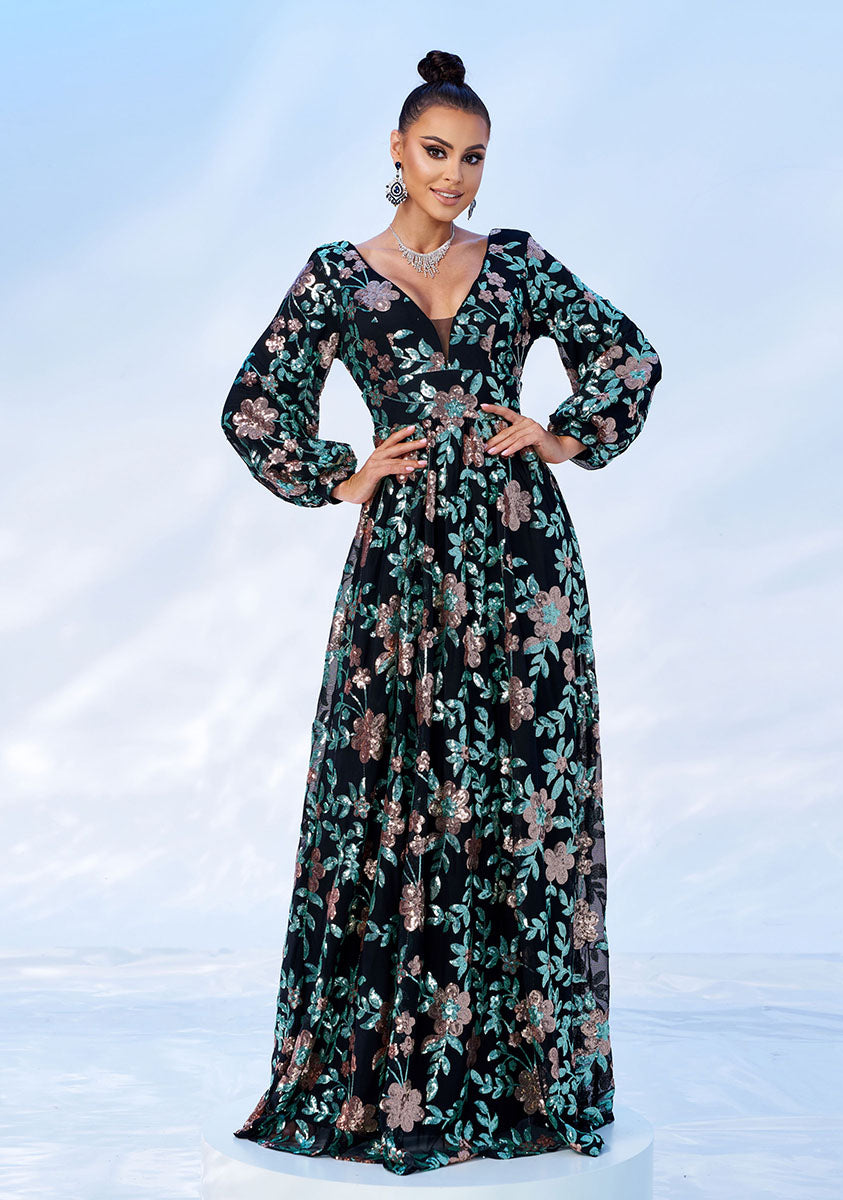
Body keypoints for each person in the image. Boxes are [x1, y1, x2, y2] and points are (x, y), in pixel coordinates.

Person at [220, 47, 662, 1177]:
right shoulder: (338, 274)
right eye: (435, 152)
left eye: (473, 158)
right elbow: (253, 403)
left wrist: (561, 435)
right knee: (398, 787)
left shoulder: (515, 262)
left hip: (522, 563)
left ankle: (521, 1077)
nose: (455, 177)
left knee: (522, 791)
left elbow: (630, 356)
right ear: (395, 148)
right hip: (404, 570)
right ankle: (394, 1077)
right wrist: (342, 473)